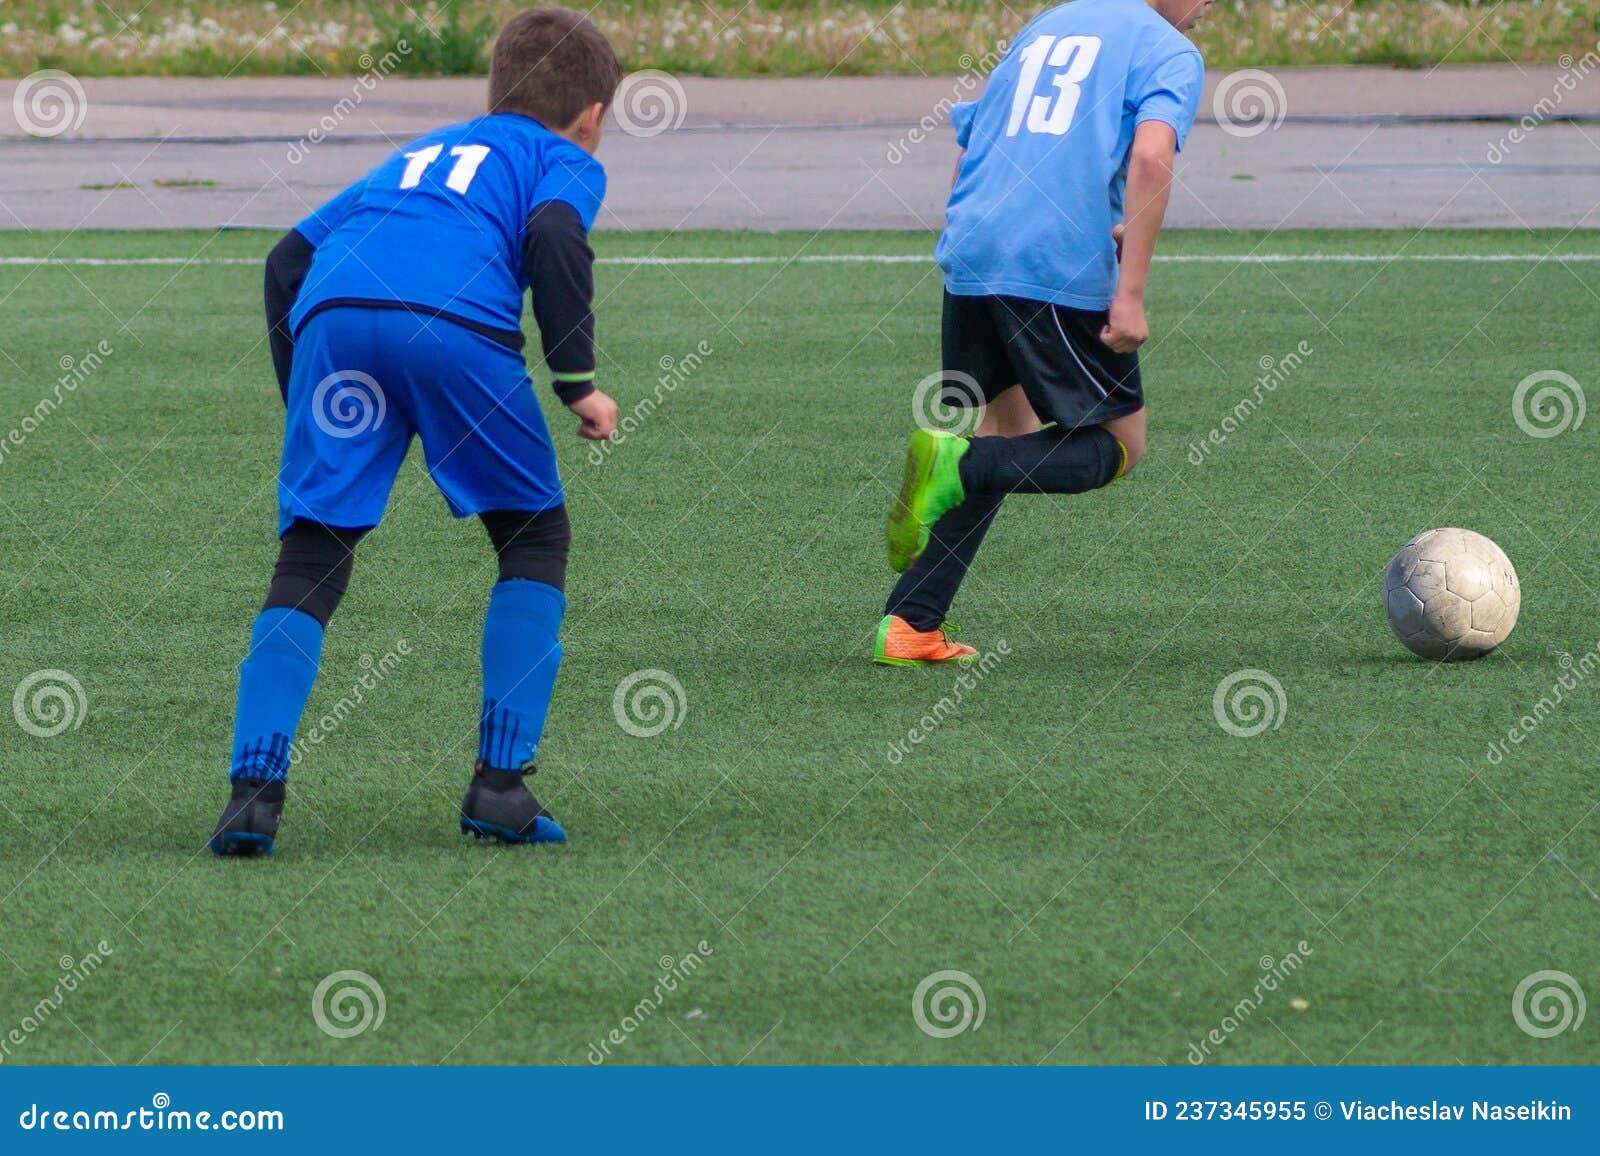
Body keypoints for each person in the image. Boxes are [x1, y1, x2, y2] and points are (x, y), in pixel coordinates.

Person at [212, 7, 622, 853]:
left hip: (333, 315)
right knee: (534, 536)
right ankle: (499, 788)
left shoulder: (422, 152)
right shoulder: (561, 158)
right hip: (450, 327)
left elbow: (286, 260)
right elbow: (552, 232)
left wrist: (308, 406)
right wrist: (576, 380)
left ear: (493, 88)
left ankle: (252, 793)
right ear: (593, 117)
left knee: (313, 551)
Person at [876, 0, 1211, 665]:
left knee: (1010, 432)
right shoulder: (1170, 50)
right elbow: (1151, 157)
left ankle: (912, 623)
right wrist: (1131, 294)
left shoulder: (1048, 23)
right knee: (1119, 443)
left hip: (974, 248)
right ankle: (957, 463)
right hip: (1050, 262)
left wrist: (971, 239)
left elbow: (976, 138)